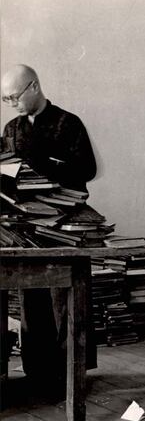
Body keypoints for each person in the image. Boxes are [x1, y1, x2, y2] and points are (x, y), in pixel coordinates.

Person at [1, 64, 97, 389]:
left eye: (14, 96)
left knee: (63, 298)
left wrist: (43, 167)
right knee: (31, 294)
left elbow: (87, 168)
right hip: (27, 224)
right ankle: (37, 374)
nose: (12, 104)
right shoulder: (12, 128)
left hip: (62, 223)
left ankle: (70, 374)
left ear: (34, 87)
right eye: (6, 99)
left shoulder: (68, 124)